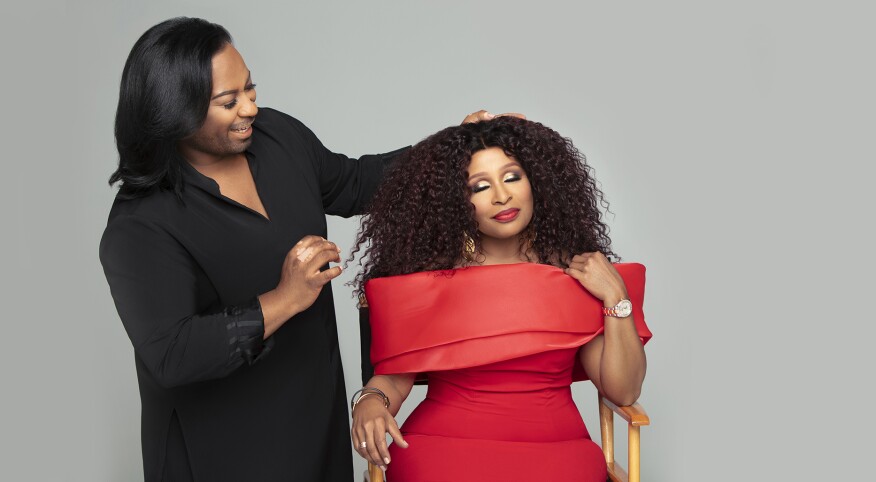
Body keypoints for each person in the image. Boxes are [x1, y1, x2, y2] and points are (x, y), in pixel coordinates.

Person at [99, 17, 506, 482]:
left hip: (312, 415)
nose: (250, 108)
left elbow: (354, 183)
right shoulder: (141, 222)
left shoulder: (278, 138)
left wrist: (452, 149)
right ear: (174, 112)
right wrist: (285, 299)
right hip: (221, 446)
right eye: (228, 101)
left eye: (250, 89)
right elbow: (172, 355)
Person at [348, 117, 653, 480]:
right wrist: (369, 402)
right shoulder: (431, 275)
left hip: (557, 449)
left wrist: (616, 296)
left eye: (512, 177)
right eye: (479, 186)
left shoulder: (576, 270)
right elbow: (395, 379)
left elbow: (623, 389)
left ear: (536, 181)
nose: (501, 196)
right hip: (443, 445)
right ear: (456, 200)